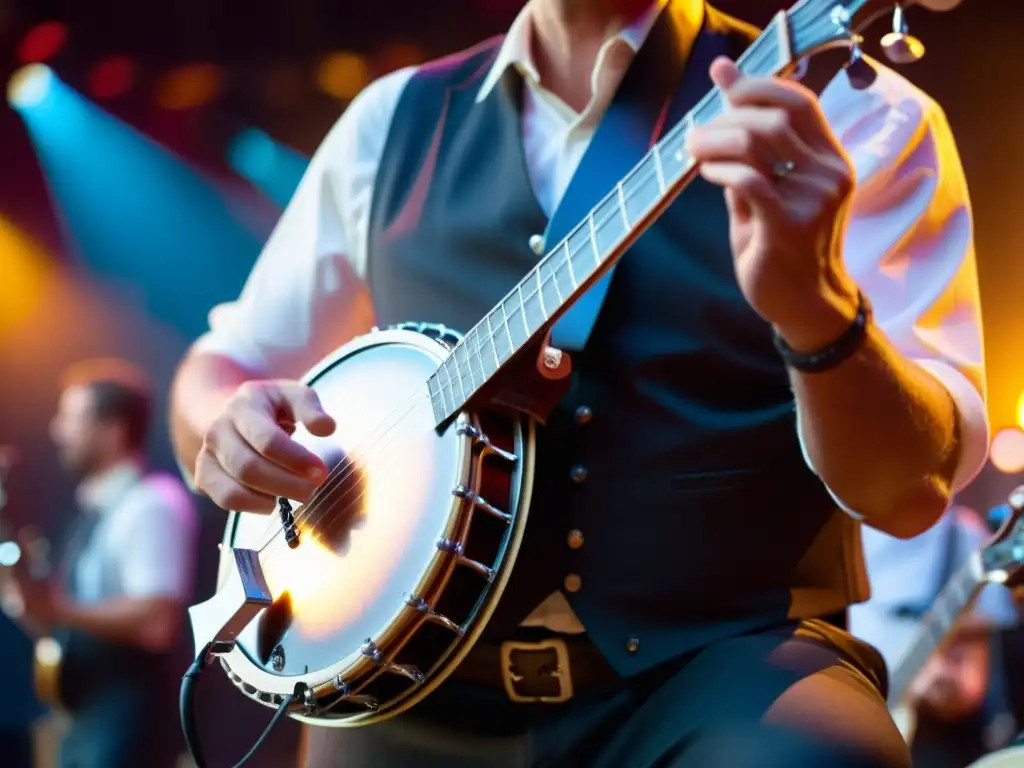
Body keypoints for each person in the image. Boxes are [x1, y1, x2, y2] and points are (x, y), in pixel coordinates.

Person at [170, 0, 989, 765]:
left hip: (719, 667)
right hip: (408, 688)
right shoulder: (390, 121)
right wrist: (225, 423)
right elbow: (221, 366)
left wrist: (816, 311)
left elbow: (906, 493)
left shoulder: (855, 114)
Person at [3, 359, 198, 768]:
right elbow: (54, 621)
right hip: (84, 722)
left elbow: (157, 620)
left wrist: (59, 610)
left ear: (112, 430)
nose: (57, 430)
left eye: (72, 418)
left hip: (130, 727)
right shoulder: (88, 513)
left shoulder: (151, 502)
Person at [851, 506, 1020, 768]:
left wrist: (944, 674)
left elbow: (971, 683)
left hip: (935, 738)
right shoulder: (845, 534)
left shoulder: (961, 534)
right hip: (859, 722)